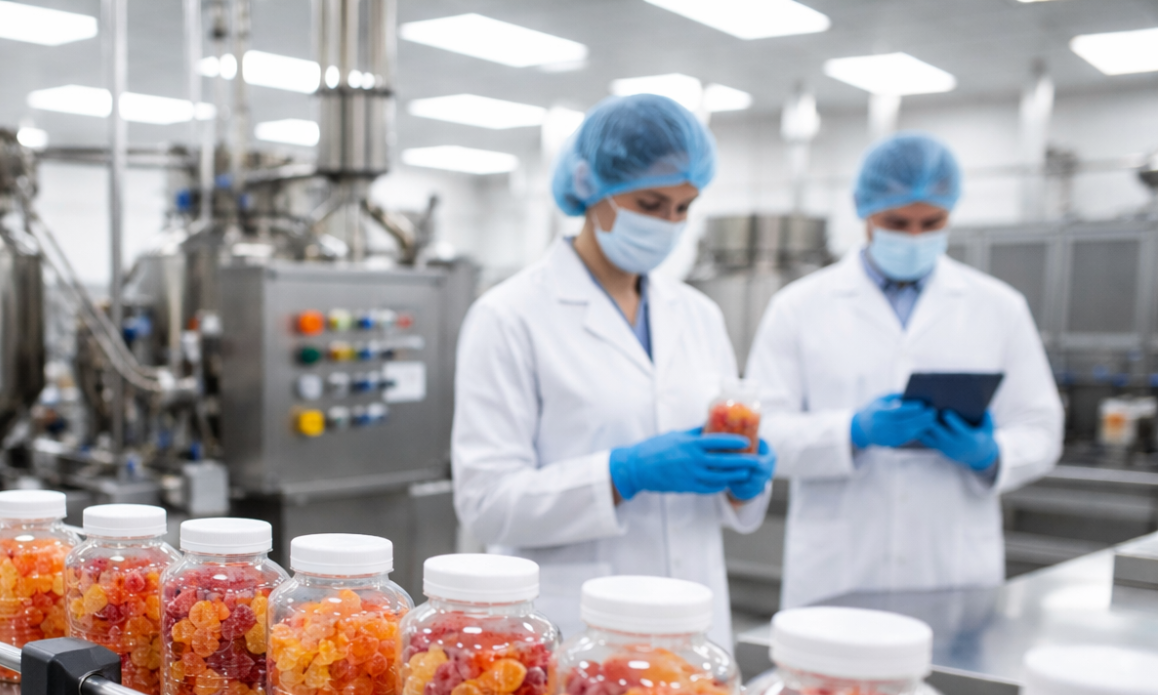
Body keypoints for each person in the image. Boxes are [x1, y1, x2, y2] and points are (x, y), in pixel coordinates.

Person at [452, 94, 776, 642]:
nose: (669, 224)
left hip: (693, 618)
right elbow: (486, 503)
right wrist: (622, 473)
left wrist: (742, 483)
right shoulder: (508, 315)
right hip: (580, 623)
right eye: (650, 204)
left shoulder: (698, 314)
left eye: (683, 207)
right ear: (590, 186)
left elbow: (723, 495)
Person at [746, 132, 1064, 610]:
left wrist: (991, 455)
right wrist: (851, 431)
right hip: (838, 569)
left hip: (952, 567)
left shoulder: (998, 307)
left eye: (931, 222)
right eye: (897, 222)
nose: (914, 236)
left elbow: (1041, 428)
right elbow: (764, 431)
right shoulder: (798, 308)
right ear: (863, 210)